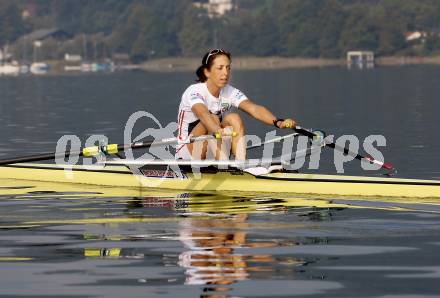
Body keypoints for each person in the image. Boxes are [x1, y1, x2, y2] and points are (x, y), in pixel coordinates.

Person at [176, 49, 295, 160]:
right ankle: (224, 165)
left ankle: (240, 165)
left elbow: (254, 109)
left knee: (234, 118)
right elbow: (203, 114)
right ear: (207, 72)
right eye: (220, 68)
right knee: (213, 118)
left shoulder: (229, 91)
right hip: (188, 153)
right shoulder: (194, 91)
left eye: (228, 68)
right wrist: (217, 129)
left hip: (212, 146)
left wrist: (278, 122)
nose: (225, 73)